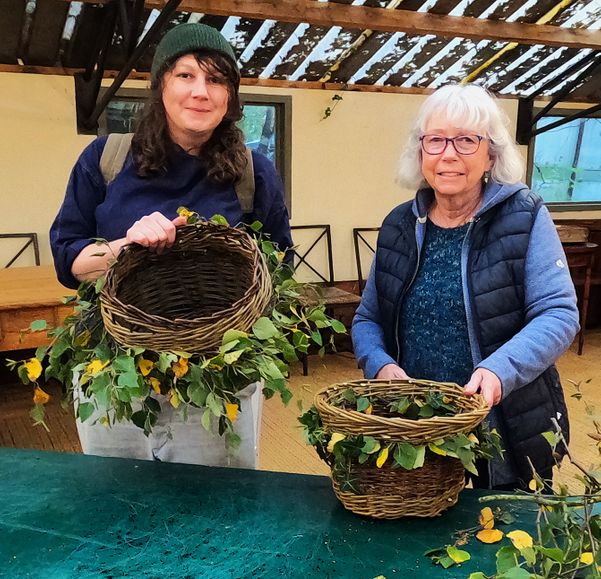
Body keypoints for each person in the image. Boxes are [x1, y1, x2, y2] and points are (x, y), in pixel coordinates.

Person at [49, 22, 292, 468]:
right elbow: (69, 261)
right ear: (160, 84)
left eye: (216, 79)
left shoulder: (253, 173)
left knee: (216, 504)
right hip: (115, 374)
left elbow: (279, 268)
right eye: (185, 75)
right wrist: (126, 245)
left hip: (218, 380)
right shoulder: (107, 159)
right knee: (119, 500)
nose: (201, 91)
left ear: (230, 97)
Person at [352, 84, 579, 491]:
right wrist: (379, 365)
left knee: (504, 539)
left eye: (466, 140)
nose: (449, 154)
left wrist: (498, 370)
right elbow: (368, 317)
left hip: (504, 425)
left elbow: (559, 313)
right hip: (420, 428)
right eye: (436, 140)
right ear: (421, 151)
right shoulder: (398, 225)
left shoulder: (525, 216)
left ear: (491, 152)